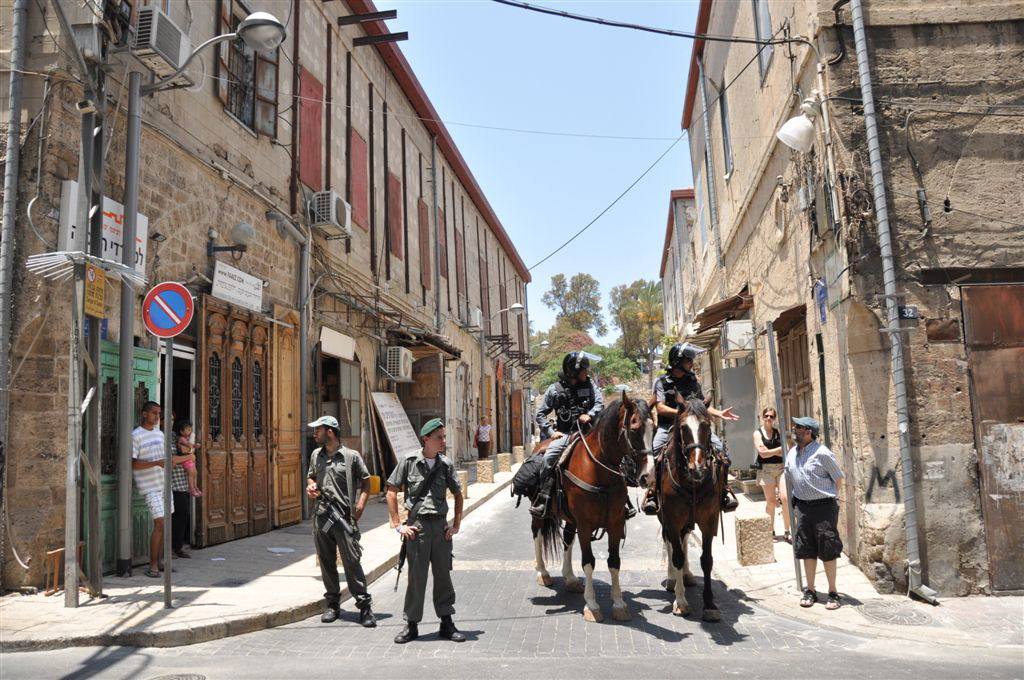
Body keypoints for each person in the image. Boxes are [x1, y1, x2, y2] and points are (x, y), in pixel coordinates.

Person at [386, 418, 465, 644]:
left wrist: (456, 525)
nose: (443, 441)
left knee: (443, 576)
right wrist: (399, 525)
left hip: (440, 527)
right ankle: (411, 625)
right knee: (416, 578)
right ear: (426, 439)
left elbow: (458, 494)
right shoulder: (409, 462)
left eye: (444, 437)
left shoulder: (446, 464)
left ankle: (446, 622)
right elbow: (391, 491)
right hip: (417, 527)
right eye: (439, 437)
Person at [641, 343, 740, 514]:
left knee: (721, 451)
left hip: (694, 426)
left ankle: (724, 490)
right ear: (677, 361)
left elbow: (702, 407)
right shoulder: (662, 381)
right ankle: (652, 492)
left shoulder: (693, 380)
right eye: (688, 361)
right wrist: (683, 414)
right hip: (668, 425)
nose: (691, 364)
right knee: (655, 452)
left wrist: (719, 413)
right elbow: (661, 407)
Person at [306, 415, 376, 627]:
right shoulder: (316, 455)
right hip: (322, 516)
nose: (314, 433)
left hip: (343, 517)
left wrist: (361, 505)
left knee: (351, 562)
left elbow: (366, 482)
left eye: (318, 430)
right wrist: (311, 486)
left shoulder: (351, 457)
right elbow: (311, 476)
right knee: (326, 562)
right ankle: (332, 604)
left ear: (330, 432)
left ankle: (364, 606)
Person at [529, 352, 606, 519]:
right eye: (584, 370)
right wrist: (551, 432)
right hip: (565, 434)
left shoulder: (590, 385)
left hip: (589, 433)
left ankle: (624, 499)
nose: (587, 373)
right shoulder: (554, 390)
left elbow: (600, 403)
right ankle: (543, 497)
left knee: (613, 454)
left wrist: (590, 415)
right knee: (549, 458)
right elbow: (540, 414)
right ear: (573, 372)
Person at [784, 416, 845, 611]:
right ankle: (810, 590)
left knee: (827, 549)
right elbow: (787, 477)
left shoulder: (823, 453)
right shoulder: (792, 453)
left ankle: (833, 592)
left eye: (798, 427)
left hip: (824, 507)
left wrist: (834, 501)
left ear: (808, 432)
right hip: (802, 507)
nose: (794, 429)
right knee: (806, 549)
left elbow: (838, 479)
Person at [131, 401, 194, 578]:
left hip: (165, 485)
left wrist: (186, 457)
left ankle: (160, 561)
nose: (157, 417)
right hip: (149, 486)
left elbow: (168, 459)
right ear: (144, 414)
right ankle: (152, 565)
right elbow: (133, 464)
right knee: (160, 523)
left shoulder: (159, 434)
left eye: (159, 413)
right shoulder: (136, 435)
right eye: (154, 413)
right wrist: (156, 463)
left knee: (165, 524)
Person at [753, 407, 790, 541]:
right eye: (766, 416)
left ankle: (788, 530)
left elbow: (786, 450)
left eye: (772, 416)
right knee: (771, 502)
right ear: (763, 417)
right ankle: (770, 530)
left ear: (774, 419)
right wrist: (778, 450)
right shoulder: (757, 434)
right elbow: (762, 453)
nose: (769, 418)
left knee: (785, 499)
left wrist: (771, 451)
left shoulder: (778, 432)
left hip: (781, 468)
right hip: (766, 470)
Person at [170, 419, 194, 559]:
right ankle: (170, 548)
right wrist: (189, 455)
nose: (171, 421)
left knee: (183, 514)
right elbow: (172, 459)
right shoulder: (162, 436)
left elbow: (185, 450)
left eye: (173, 419)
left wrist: (187, 453)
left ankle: (177, 547)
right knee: (176, 514)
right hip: (170, 482)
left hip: (181, 480)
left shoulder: (174, 436)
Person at [174, 421, 202, 497]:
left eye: (190, 430)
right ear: (181, 431)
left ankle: (195, 487)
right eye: (188, 430)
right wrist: (195, 445)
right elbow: (189, 445)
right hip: (185, 459)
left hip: (190, 458)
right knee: (190, 473)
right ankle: (191, 488)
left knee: (195, 473)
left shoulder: (187, 438)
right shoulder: (181, 438)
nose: (190, 431)